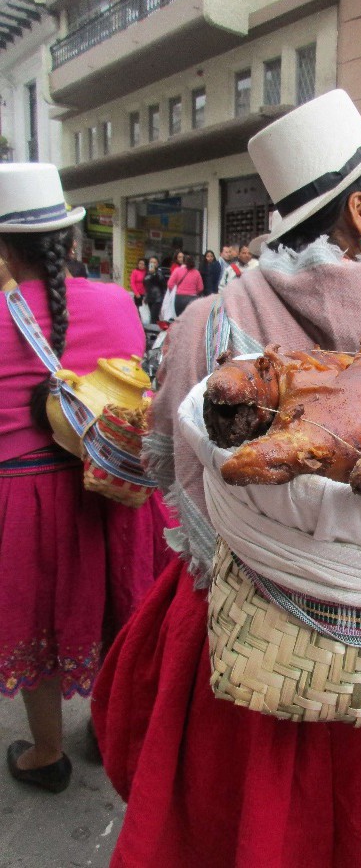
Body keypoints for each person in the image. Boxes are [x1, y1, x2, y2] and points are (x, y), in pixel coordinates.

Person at [92, 90, 361, 868]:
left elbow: (167, 463)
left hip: (240, 634)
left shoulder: (206, 323)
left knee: (240, 828)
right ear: (358, 212)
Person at [0, 163, 171, 794]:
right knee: (113, 613)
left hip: (22, 499)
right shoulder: (117, 301)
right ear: (70, 243)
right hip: (111, 485)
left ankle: (46, 753)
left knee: (35, 624)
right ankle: (105, 726)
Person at [167, 252, 203, 316]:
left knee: (180, 319)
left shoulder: (177, 270)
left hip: (179, 298)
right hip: (192, 298)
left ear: (183, 261)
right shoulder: (197, 273)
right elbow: (200, 288)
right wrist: (195, 292)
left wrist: (175, 290)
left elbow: (170, 284)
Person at [143, 256, 167, 325]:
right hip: (150, 297)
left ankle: (154, 333)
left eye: (154, 262)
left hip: (157, 298)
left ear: (157, 264)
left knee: (153, 317)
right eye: (151, 262)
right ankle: (161, 329)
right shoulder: (147, 272)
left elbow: (162, 282)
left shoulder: (159, 272)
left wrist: (154, 273)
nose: (152, 264)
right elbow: (145, 283)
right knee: (154, 317)